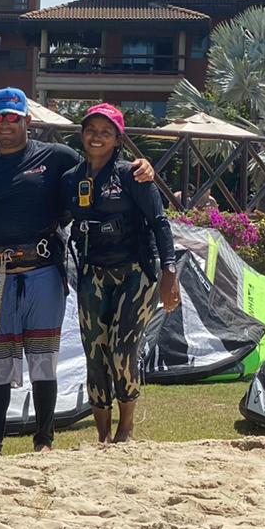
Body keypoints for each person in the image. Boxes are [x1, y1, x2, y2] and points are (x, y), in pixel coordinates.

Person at [0, 88, 155, 456]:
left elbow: (99, 164)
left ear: (27, 120)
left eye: (14, 118)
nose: (6, 125)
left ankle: (44, 442)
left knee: (43, 357)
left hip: (45, 268)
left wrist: (142, 166)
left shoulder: (57, 157)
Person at [64, 103, 179, 443]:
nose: (96, 137)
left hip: (135, 273)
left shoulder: (134, 175)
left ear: (117, 139)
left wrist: (168, 272)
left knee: (122, 350)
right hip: (92, 273)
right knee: (95, 354)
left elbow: (160, 223)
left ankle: (125, 428)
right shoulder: (71, 178)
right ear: (82, 134)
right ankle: (102, 435)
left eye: (105, 132)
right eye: (91, 130)